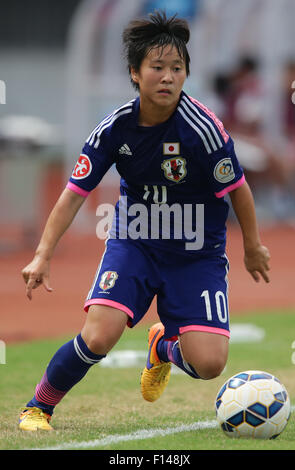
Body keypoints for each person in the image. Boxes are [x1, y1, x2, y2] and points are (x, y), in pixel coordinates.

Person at [19, 11, 270, 431]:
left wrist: (252, 246)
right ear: (135, 74)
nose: (168, 77)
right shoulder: (114, 129)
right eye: (157, 67)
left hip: (196, 255)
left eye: (177, 68)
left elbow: (238, 189)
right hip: (134, 243)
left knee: (209, 364)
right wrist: (42, 254)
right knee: (98, 337)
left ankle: (163, 347)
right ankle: (37, 408)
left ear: (187, 73)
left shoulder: (203, 129)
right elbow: (73, 194)